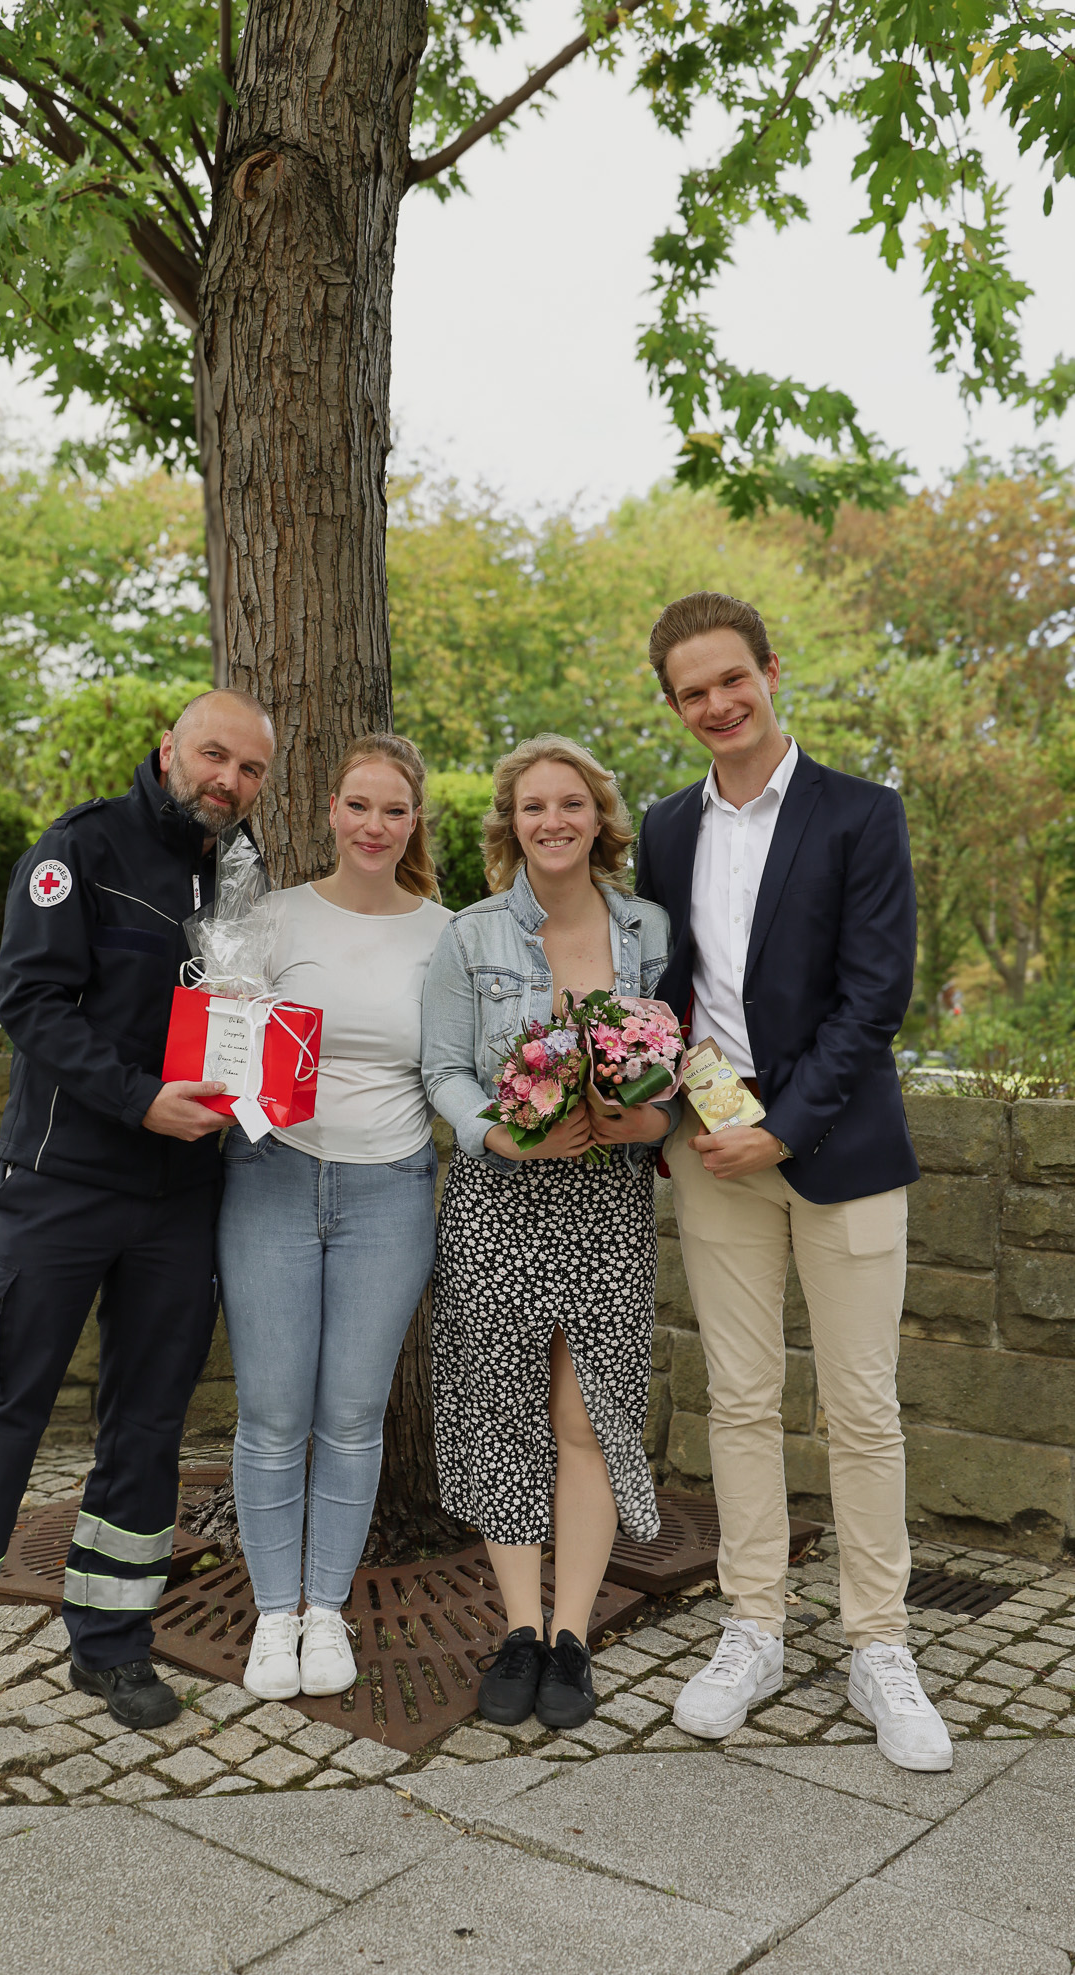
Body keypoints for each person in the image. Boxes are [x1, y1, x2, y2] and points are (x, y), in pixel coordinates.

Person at [0, 690, 276, 1776]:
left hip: (180, 1197)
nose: (227, 780)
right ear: (170, 749)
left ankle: (110, 1642)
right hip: (60, 1184)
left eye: (249, 769)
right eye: (213, 755)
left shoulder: (243, 879)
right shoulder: (78, 848)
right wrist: (139, 1094)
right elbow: (31, 1002)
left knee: (145, 1426)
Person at [637, 590, 951, 1773]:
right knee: (739, 1400)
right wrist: (673, 1114)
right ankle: (753, 1625)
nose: (718, 703)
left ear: (771, 670)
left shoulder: (862, 815)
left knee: (862, 1406)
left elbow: (878, 997)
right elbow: (666, 990)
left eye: (732, 678)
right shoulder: (667, 827)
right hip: (713, 1157)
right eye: (692, 692)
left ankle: (879, 1641)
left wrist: (784, 1124)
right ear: (675, 706)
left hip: (842, 1151)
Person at [421, 735, 676, 1730]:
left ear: (599, 817)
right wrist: (496, 1135)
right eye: (534, 806)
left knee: (588, 1418)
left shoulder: (647, 926)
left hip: (608, 1205)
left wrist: (652, 1120)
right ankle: (518, 1629)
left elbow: (680, 1057)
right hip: (499, 1205)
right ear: (510, 821)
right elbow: (442, 1070)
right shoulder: (469, 935)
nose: (554, 820)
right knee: (506, 1416)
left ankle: (573, 1637)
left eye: (571, 803)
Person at [217, 734, 453, 1701]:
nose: (373, 825)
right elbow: (227, 1046)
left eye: (393, 810)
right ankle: (274, 1616)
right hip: (272, 1175)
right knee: (272, 1414)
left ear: (413, 822)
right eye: (358, 806)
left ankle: (326, 1608)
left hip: (389, 1187)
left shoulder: (446, 931)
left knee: (352, 1417)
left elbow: (452, 1067)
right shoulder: (266, 920)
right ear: (328, 811)